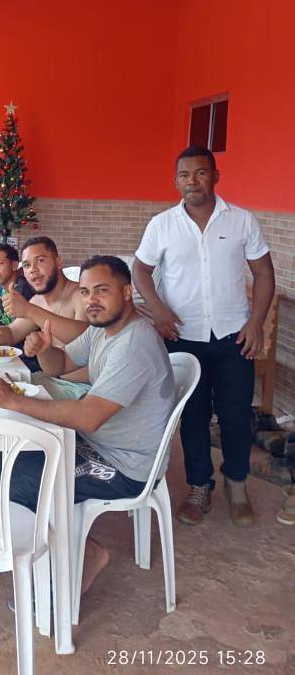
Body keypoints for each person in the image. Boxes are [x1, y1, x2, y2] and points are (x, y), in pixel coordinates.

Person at [0, 255, 175, 594]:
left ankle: (84, 556)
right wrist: (43, 348)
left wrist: (14, 401)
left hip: (125, 465)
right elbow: (60, 364)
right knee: (7, 459)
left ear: (127, 292)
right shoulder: (104, 330)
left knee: (20, 481)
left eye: (102, 290)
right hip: (95, 444)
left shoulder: (134, 344)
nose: (91, 301)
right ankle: (51, 551)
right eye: (85, 292)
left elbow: (89, 416)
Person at [133, 145, 275, 527]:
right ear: (176, 180)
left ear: (215, 176)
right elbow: (140, 271)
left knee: (234, 413)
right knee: (192, 416)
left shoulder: (242, 221)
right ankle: (199, 485)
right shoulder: (162, 225)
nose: (191, 181)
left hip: (234, 336)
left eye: (199, 173)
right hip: (183, 337)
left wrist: (256, 323)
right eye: (184, 175)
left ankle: (237, 483)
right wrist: (159, 310)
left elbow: (263, 272)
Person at [0, 237, 87, 350]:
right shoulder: (38, 300)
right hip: (50, 373)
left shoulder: (81, 295)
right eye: (26, 265)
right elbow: (12, 332)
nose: (33, 269)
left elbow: (85, 340)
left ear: (59, 262)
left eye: (40, 260)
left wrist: (29, 310)